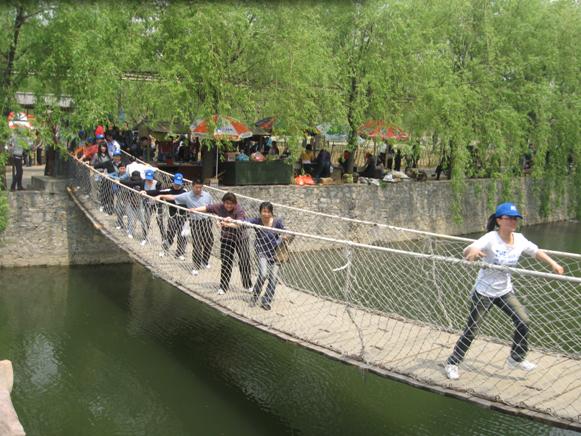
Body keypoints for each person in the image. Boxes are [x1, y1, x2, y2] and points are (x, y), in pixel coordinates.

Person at [444, 202, 565, 380]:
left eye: (516, 219)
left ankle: (516, 358)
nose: (513, 222)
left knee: (523, 320)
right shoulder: (491, 237)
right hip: (484, 292)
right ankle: (452, 363)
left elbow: (536, 252)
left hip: (504, 291)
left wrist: (553, 264)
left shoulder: (520, 239)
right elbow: (470, 249)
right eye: (509, 218)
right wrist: (473, 252)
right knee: (472, 330)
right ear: (499, 220)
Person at [191, 192, 252, 295]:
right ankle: (223, 287)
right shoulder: (219, 207)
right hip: (226, 239)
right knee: (226, 263)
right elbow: (207, 208)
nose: (228, 206)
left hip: (241, 239)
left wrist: (228, 224)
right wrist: (195, 210)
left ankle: (247, 285)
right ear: (223, 202)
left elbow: (239, 224)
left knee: (244, 261)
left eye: (231, 204)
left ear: (235, 203)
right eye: (226, 203)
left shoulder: (239, 210)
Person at [160, 179, 214, 276]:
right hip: (195, 222)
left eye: (200, 187)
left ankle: (204, 261)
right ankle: (195, 266)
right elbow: (173, 197)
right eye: (196, 187)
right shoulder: (187, 196)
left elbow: (212, 207)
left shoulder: (207, 195)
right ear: (192, 186)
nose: (198, 189)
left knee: (209, 242)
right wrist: (161, 196)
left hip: (207, 221)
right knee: (197, 245)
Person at [247, 202, 287, 310]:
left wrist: (284, 237)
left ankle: (266, 301)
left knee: (273, 278)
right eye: (264, 211)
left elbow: (286, 232)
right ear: (260, 212)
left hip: (276, 254)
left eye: (268, 212)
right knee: (263, 274)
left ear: (271, 213)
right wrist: (230, 221)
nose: (266, 214)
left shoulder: (277, 222)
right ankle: (255, 296)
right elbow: (243, 222)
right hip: (262, 252)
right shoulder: (257, 221)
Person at [156, 173, 187, 259]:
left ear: (182, 183)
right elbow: (156, 192)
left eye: (179, 184)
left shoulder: (185, 192)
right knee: (170, 234)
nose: (177, 185)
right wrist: (146, 192)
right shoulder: (168, 191)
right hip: (172, 216)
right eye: (176, 183)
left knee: (182, 236)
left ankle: (180, 253)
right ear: (173, 182)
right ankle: (164, 249)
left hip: (182, 217)